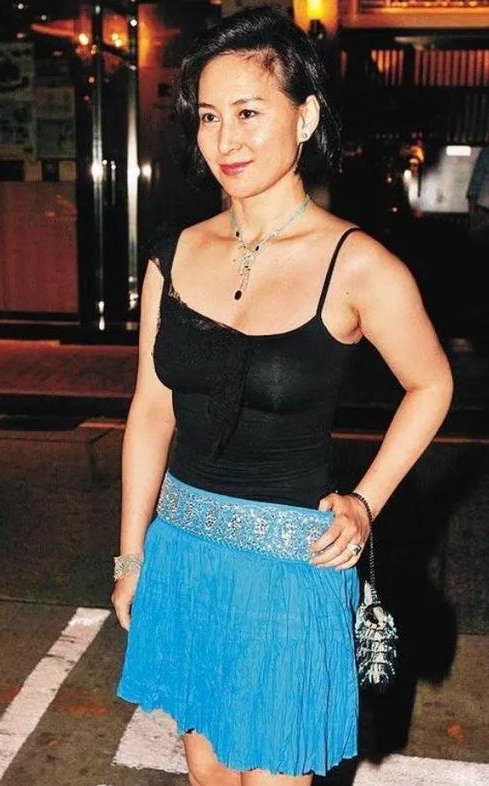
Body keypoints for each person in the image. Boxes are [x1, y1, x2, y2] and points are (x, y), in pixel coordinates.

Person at [112, 6, 454, 785]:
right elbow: (152, 412)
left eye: (248, 113)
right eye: (208, 116)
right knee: (205, 767)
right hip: (187, 550)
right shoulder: (173, 256)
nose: (224, 139)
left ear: (304, 118)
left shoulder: (357, 265)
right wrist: (132, 556)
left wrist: (364, 502)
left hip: (289, 568)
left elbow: (431, 383)